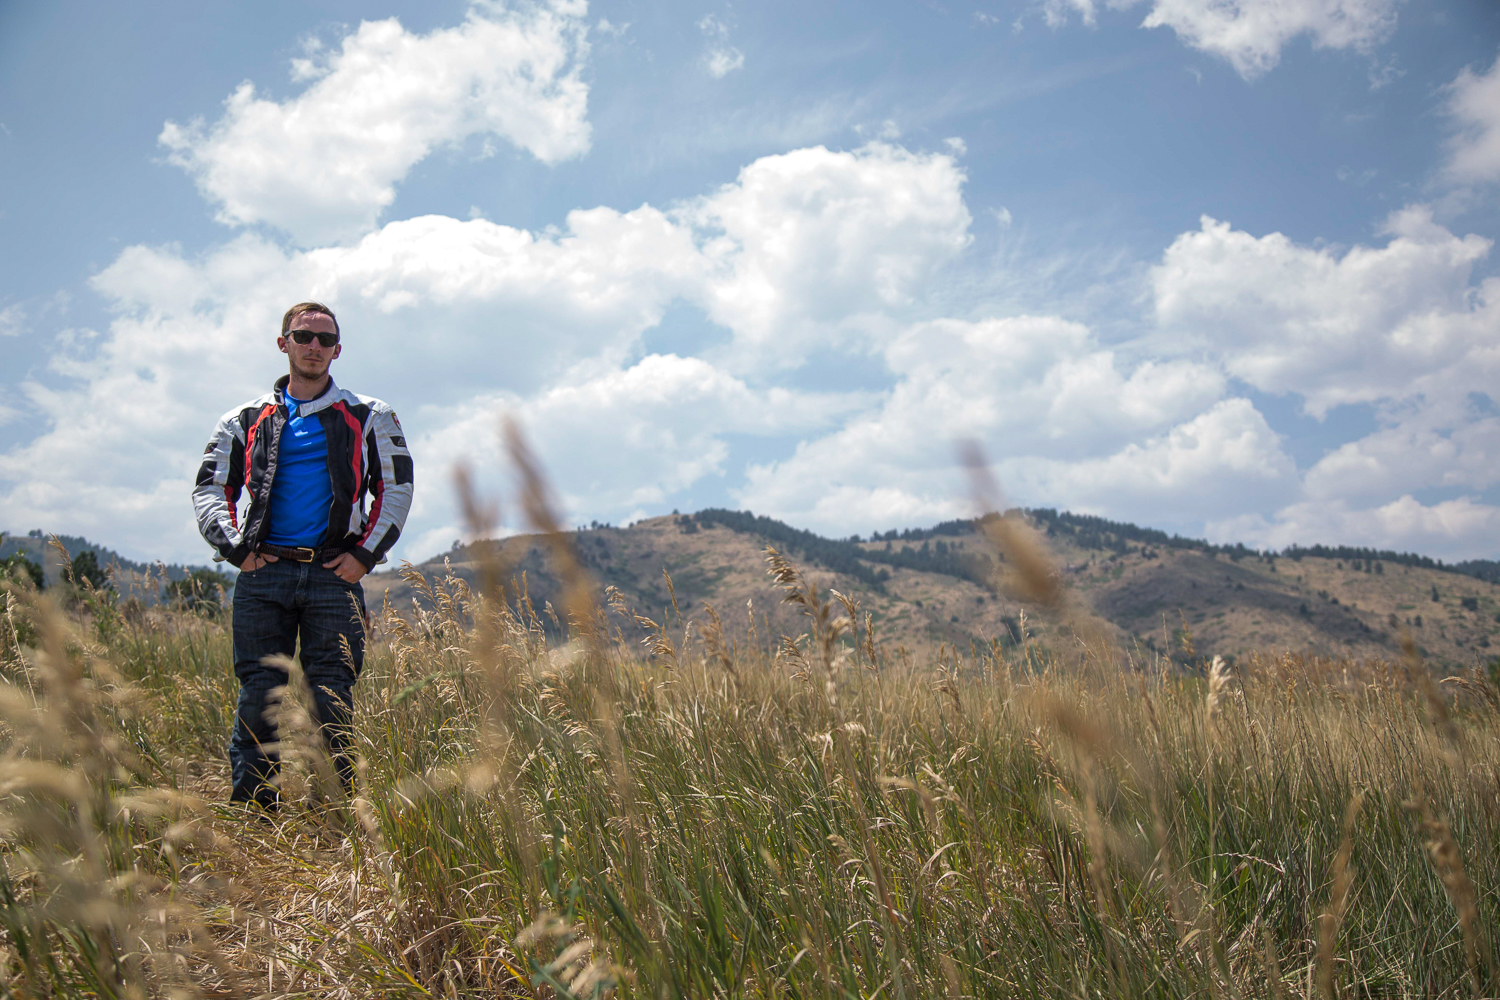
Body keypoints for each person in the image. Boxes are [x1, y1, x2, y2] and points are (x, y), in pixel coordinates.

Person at [192, 302, 413, 810]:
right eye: (303, 336)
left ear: (338, 349)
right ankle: (254, 811)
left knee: (332, 698)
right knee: (259, 696)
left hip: (335, 576)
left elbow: (397, 487)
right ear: (283, 343)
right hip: (263, 573)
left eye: (325, 339)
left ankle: (335, 813)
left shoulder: (371, 416)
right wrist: (236, 550)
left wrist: (363, 555)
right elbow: (210, 487)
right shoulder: (242, 419)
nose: (314, 347)